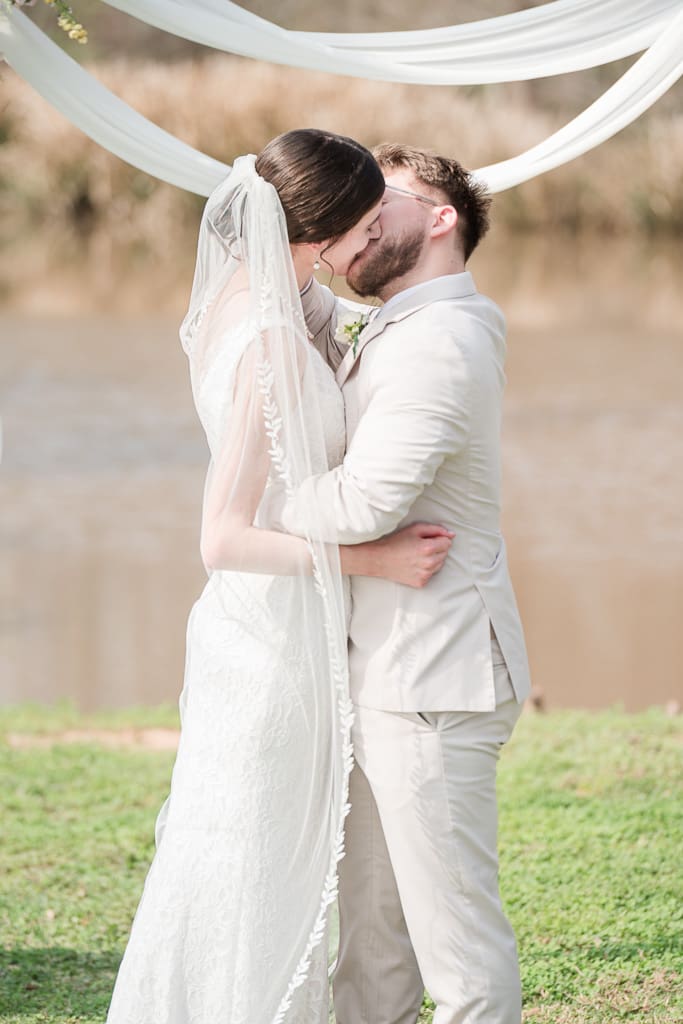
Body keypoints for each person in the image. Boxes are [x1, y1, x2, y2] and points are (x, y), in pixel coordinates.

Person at [105, 131, 453, 1024]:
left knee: (254, 858)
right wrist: (369, 557)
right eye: (367, 225)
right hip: (269, 643)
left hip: (273, 627)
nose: (374, 243)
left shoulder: (269, 297)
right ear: (324, 227)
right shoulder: (270, 344)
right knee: (253, 868)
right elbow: (222, 537)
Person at [280, 143, 532, 1024]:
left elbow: (361, 503)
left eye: (378, 199)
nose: (357, 215)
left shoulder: (442, 340)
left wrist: (251, 511)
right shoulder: (395, 322)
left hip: (434, 674)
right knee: (373, 938)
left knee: (454, 947)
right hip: (388, 671)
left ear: (439, 218)